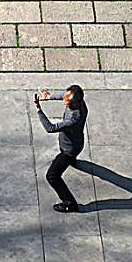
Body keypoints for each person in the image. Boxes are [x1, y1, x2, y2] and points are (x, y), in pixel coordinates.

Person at [33, 85, 88, 213]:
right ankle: (72, 161)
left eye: (67, 101)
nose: (64, 101)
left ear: (75, 103)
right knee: (70, 155)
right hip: (76, 142)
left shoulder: (75, 118)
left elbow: (50, 128)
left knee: (52, 176)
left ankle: (69, 203)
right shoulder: (80, 101)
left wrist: (38, 109)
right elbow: (64, 95)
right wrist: (49, 97)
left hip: (69, 150)